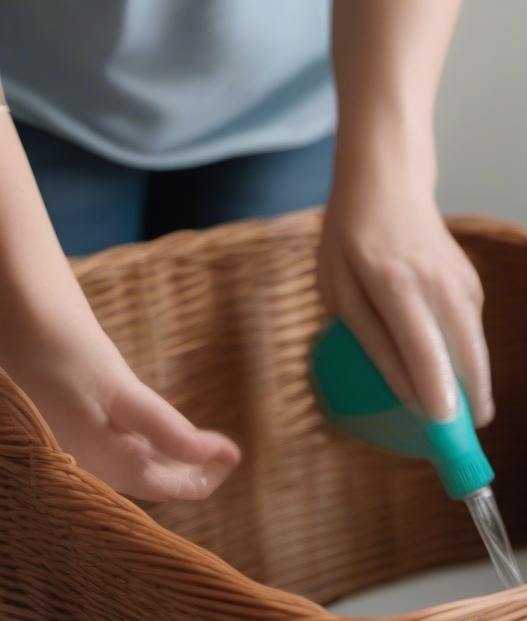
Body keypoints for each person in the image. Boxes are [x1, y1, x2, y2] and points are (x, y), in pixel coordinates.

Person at [0, 0, 491, 501]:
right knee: (57, 450)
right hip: (30, 102)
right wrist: (39, 323)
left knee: (261, 440)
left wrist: (395, 177)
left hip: (291, 89)